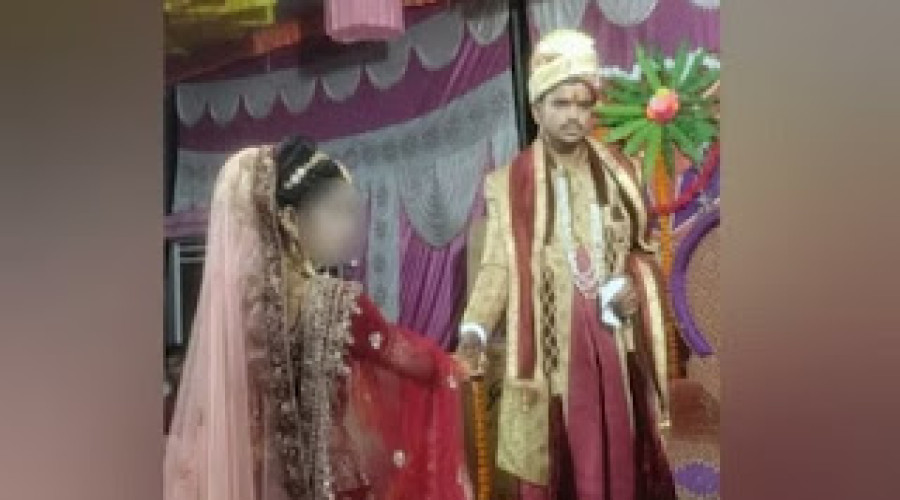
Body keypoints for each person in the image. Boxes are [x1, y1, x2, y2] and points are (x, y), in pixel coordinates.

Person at [164, 137, 471, 500]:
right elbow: (420, 365)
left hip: (253, 480)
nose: (346, 228)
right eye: (334, 211)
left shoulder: (240, 307)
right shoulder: (337, 302)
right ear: (290, 220)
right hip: (330, 486)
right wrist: (456, 365)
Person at [457, 30, 676, 500]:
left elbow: (643, 250)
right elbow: (497, 267)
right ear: (537, 109)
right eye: (560, 103)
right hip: (549, 342)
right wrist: (475, 329)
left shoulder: (620, 171)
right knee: (559, 455)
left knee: (619, 447)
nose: (574, 115)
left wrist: (633, 283)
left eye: (583, 104)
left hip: (613, 335)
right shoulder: (507, 183)